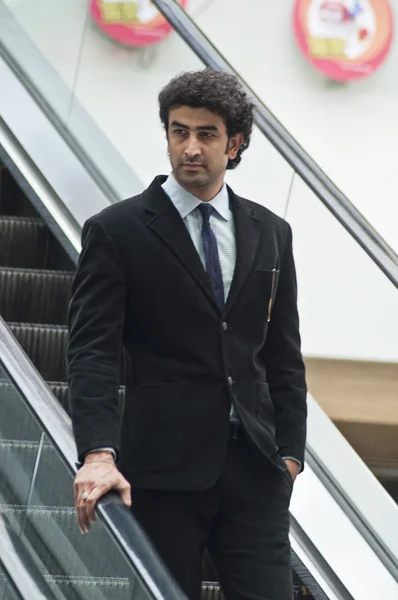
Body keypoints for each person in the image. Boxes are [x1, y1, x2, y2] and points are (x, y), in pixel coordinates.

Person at [67, 68, 307, 600]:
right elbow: (93, 352)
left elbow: (282, 352)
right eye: (179, 132)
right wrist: (98, 453)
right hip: (161, 470)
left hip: (255, 469)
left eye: (206, 134)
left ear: (235, 143)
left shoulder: (271, 232)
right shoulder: (118, 230)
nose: (190, 148)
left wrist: (290, 453)